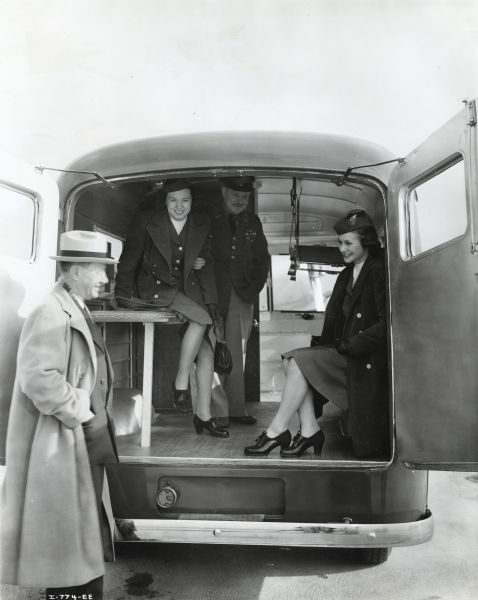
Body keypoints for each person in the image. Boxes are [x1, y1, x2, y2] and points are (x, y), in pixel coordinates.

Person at [0, 230, 119, 599]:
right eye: (99, 270)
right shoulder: (50, 310)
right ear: (74, 271)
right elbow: (39, 379)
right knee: (70, 543)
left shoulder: (74, 305)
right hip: (66, 439)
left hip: (85, 439)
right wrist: (80, 410)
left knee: (82, 535)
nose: (105, 279)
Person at [244, 209, 389, 459]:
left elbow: (387, 325)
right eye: (340, 243)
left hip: (365, 360)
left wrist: (350, 346)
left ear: (366, 242)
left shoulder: (378, 270)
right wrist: (328, 346)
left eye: (348, 243)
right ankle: (309, 430)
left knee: (299, 362)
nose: (342, 249)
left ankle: (277, 430)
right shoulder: (347, 273)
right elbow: (335, 321)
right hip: (347, 352)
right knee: (291, 359)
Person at [114, 179, 227, 438]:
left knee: (207, 350)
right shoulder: (147, 220)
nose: (179, 206)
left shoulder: (201, 222)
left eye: (185, 200)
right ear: (165, 201)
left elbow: (206, 262)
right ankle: (180, 382)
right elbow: (130, 257)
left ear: (191, 201)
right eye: (173, 200)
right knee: (200, 320)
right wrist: (121, 294)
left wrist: (210, 299)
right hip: (156, 288)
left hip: (189, 289)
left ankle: (204, 416)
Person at [209, 176, 270, 427]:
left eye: (244, 197)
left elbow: (261, 260)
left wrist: (252, 289)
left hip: (241, 296)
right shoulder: (209, 219)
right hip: (211, 294)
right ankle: (214, 413)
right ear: (224, 191)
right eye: (235, 194)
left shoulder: (252, 222)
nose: (240, 200)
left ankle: (235, 409)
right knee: (210, 353)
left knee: (236, 354)